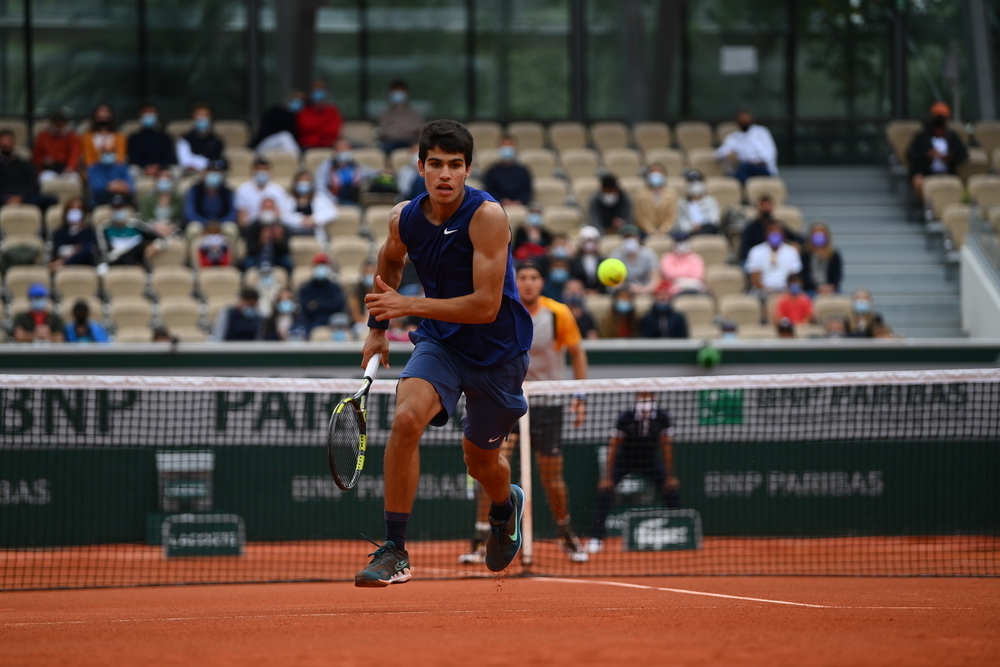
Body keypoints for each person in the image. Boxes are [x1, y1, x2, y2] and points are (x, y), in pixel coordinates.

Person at [355, 119, 532, 586]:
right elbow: (390, 259)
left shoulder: (487, 217)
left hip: (498, 352)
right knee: (406, 418)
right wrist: (378, 327)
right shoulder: (405, 217)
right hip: (441, 342)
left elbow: (485, 305)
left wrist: (405, 305)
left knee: (481, 463)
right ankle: (395, 549)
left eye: (455, 165)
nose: (445, 175)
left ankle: (504, 505)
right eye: (436, 164)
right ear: (421, 167)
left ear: (468, 170)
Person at [460, 261, 589, 565]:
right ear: (516, 281)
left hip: (548, 404)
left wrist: (580, 396)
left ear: (542, 283)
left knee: (551, 476)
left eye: (534, 278)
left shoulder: (559, 314)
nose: (529, 283)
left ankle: (564, 532)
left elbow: (577, 352)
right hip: (507, 402)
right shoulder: (503, 308)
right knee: (491, 467)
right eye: (524, 277)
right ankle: (482, 538)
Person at [588, 391, 679, 553]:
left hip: (650, 459)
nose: (646, 399)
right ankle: (596, 538)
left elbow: (666, 446)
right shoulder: (626, 417)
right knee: (605, 492)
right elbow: (614, 445)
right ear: (637, 397)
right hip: (625, 459)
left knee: (671, 489)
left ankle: (678, 531)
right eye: (643, 395)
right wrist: (607, 477)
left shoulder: (662, 417)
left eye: (649, 395)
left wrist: (670, 476)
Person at [906, 102, 968, 199]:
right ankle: (926, 207)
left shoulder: (952, 137)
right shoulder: (922, 136)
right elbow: (911, 154)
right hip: (925, 172)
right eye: (937, 116)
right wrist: (927, 155)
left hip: (948, 173)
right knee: (918, 181)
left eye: (942, 117)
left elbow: (963, 155)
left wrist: (950, 157)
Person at [714, 109, 778, 184]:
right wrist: (729, 153)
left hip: (763, 168)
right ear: (737, 121)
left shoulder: (761, 132)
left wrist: (753, 160)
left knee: (743, 169)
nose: (744, 121)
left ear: (751, 119)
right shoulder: (733, 137)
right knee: (741, 169)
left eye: (746, 118)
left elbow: (769, 155)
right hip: (744, 169)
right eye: (741, 119)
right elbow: (718, 154)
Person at [0, 130, 58, 211]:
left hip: (25, 197)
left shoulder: (26, 164)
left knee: (52, 199)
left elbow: (33, 184)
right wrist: (6, 198)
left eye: (8, 141)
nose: (6, 144)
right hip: (3, 198)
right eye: (3, 142)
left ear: (13, 143)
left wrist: (20, 198)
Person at [745, 220, 803, 294]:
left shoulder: (792, 252)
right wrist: (768, 292)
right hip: (762, 292)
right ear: (766, 234)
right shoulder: (756, 251)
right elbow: (755, 279)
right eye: (771, 230)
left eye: (778, 230)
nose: (775, 233)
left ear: (783, 234)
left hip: (786, 292)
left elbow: (795, 278)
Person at [101, 195, 161, 267]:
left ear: (127, 209)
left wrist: (155, 246)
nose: (118, 211)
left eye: (121, 208)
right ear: (111, 211)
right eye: (115, 209)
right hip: (116, 262)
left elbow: (159, 237)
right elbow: (105, 254)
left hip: (138, 260)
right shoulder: (105, 228)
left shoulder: (137, 225)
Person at [738, 195, 801, 263]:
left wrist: (793, 245)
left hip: (777, 258)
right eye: (762, 205)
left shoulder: (778, 226)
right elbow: (745, 251)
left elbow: (798, 238)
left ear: (773, 207)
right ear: (757, 207)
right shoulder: (750, 228)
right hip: (757, 259)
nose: (765, 208)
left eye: (768, 205)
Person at [184, 160, 238, 236]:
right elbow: (189, 214)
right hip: (201, 223)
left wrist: (218, 223)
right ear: (204, 173)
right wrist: (206, 223)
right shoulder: (195, 190)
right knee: (193, 228)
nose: (214, 174)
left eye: (217, 172)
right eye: (211, 171)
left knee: (231, 228)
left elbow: (232, 214)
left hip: (221, 224)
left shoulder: (227, 191)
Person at [235, 157, 293, 227]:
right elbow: (242, 219)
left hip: (273, 225)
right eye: (259, 169)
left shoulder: (279, 190)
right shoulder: (243, 190)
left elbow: (281, 215)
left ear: (270, 171)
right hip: (252, 226)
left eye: (265, 169)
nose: (262, 172)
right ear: (252, 171)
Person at [298, 252, 347, 334]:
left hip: (332, 321)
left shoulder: (335, 287)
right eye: (318, 265)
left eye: (323, 265)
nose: (320, 268)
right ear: (312, 268)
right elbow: (305, 309)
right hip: (311, 322)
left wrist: (318, 304)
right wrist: (328, 303)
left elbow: (339, 305)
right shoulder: (305, 288)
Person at [315, 138, 372, 205]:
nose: (344, 149)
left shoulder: (354, 165)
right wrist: (331, 200)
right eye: (341, 148)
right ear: (335, 151)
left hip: (353, 199)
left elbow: (368, 172)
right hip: (333, 200)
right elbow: (320, 187)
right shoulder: (327, 166)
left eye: (346, 148)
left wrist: (381, 172)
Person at [242, 197, 292, 272]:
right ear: (261, 209)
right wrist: (261, 241)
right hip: (257, 256)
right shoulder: (253, 227)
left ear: (275, 209)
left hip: (276, 257)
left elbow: (286, 250)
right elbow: (250, 250)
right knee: (247, 263)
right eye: (265, 208)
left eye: (270, 208)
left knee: (287, 262)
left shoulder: (281, 227)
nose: (267, 210)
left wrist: (278, 240)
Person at [286, 170, 338, 242]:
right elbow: (284, 216)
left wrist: (314, 219)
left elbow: (332, 211)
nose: (303, 183)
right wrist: (302, 220)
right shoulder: (289, 199)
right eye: (301, 180)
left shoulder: (319, 197)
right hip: (293, 235)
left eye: (306, 180)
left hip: (314, 235)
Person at [127, 102, 177, 176]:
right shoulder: (134, 138)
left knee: (176, 170)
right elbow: (133, 158)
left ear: (156, 115)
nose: (149, 115)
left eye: (151, 112)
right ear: (141, 115)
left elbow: (170, 157)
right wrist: (146, 167)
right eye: (146, 112)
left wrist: (159, 167)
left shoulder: (165, 136)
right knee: (131, 170)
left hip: (162, 168)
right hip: (141, 168)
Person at [32, 108, 81, 182]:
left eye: (61, 125)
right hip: (48, 169)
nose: (59, 128)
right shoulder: (43, 137)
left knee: (74, 178)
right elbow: (35, 156)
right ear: (52, 124)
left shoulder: (72, 137)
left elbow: (74, 154)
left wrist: (70, 167)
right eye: (57, 125)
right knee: (44, 179)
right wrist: (45, 160)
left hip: (66, 168)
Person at [49, 198, 100, 270]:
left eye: (79, 208)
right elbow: (60, 250)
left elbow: (89, 250)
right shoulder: (59, 232)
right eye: (72, 208)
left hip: (85, 266)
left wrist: (64, 260)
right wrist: (77, 248)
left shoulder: (89, 231)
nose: (75, 211)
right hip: (63, 270)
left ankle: (63, 263)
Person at [483, 136, 532, 207]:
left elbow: (527, 190)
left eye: (510, 145)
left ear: (515, 148)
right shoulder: (492, 171)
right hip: (497, 205)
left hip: (520, 205)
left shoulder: (523, 170)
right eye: (504, 145)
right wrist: (502, 200)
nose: (507, 148)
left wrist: (519, 201)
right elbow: (489, 190)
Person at [609, 224, 660, 293]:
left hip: (646, 291)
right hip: (624, 292)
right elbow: (613, 281)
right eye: (626, 238)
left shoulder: (649, 254)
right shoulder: (615, 255)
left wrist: (644, 289)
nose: (629, 240)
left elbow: (655, 280)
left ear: (638, 238)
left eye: (632, 237)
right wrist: (629, 287)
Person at [87, 136, 135, 208]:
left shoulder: (122, 168)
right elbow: (97, 188)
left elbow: (131, 187)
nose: (108, 154)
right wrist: (112, 186)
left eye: (111, 151)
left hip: (122, 203)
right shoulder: (93, 169)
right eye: (105, 151)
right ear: (100, 152)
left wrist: (113, 186)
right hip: (101, 203)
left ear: (115, 152)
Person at [377, 80, 424, 153]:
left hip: (410, 142)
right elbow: (384, 132)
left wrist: (395, 128)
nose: (398, 94)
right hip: (391, 142)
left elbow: (418, 129)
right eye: (395, 91)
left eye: (400, 91)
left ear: (406, 93)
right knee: (383, 150)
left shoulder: (415, 113)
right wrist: (408, 129)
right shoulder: (385, 114)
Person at [252, 91, 304, 156]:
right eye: (297, 100)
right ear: (290, 99)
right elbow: (264, 130)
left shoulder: (294, 117)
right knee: (285, 136)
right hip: (263, 145)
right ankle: (299, 159)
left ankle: (295, 161)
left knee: (286, 139)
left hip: (279, 146)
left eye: (301, 101)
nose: (299, 103)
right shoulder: (275, 111)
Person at [176, 104, 225, 173]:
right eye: (199, 115)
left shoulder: (217, 141)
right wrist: (207, 164)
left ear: (210, 118)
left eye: (205, 115)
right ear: (193, 118)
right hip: (190, 172)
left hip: (211, 172)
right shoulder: (184, 139)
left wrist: (209, 166)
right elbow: (185, 162)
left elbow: (219, 161)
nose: (202, 118)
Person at [297, 81, 343, 151]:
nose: (318, 93)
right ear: (311, 93)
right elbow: (305, 127)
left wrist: (318, 128)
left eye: (321, 90)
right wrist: (324, 123)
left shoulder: (332, 110)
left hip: (329, 143)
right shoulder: (304, 111)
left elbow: (334, 129)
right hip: (308, 145)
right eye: (316, 90)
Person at [799, 221, 842, 295]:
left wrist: (830, 287)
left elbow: (837, 275)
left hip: (830, 289)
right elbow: (804, 275)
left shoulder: (834, 254)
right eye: (815, 234)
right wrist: (817, 288)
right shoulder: (805, 254)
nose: (818, 236)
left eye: (821, 233)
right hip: (811, 289)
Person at [139, 167, 184, 237]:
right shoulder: (149, 198)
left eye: (167, 177)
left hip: (172, 229)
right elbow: (145, 216)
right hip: (154, 228)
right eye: (161, 177)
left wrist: (172, 227)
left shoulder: (177, 198)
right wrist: (157, 225)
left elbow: (180, 218)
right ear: (156, 180)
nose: (164, 180)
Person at [634, 163, 677, 235]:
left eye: (659, 173)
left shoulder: (671, 193)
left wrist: (663, 230)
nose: (656, 175)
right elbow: (640, 216)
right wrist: (651, 230)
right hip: (645, 232)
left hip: (668, 231)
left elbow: (671, 215)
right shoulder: (641, 194)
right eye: (653, 172)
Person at [659, 231, 706, 297]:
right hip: (675, 290)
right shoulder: (667, 258)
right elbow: (669, 274)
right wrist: (688, 271)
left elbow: (698, 275)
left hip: (695, 288)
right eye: (679, 242)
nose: (681, 244)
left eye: (684, 241)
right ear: (674, 243)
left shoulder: (696, 258)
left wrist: (678, 276)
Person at [81, 103, 126, 168]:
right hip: (94, 172)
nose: (103, 114)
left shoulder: (119, 137)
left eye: (106, 112)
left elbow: (120, 158)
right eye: (100, 112)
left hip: (114, 172)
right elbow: (87, 159)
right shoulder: (86, 137)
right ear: (95, 115)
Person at [568, 226, 607, 293]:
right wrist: (584, 290)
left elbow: (605, 279)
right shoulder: (574, 261)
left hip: (600, 293)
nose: (590, 244)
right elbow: (574, 278)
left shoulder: (603, 260)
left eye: (593, 241)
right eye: (586, 241)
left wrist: (597, 291)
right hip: (581, 294)